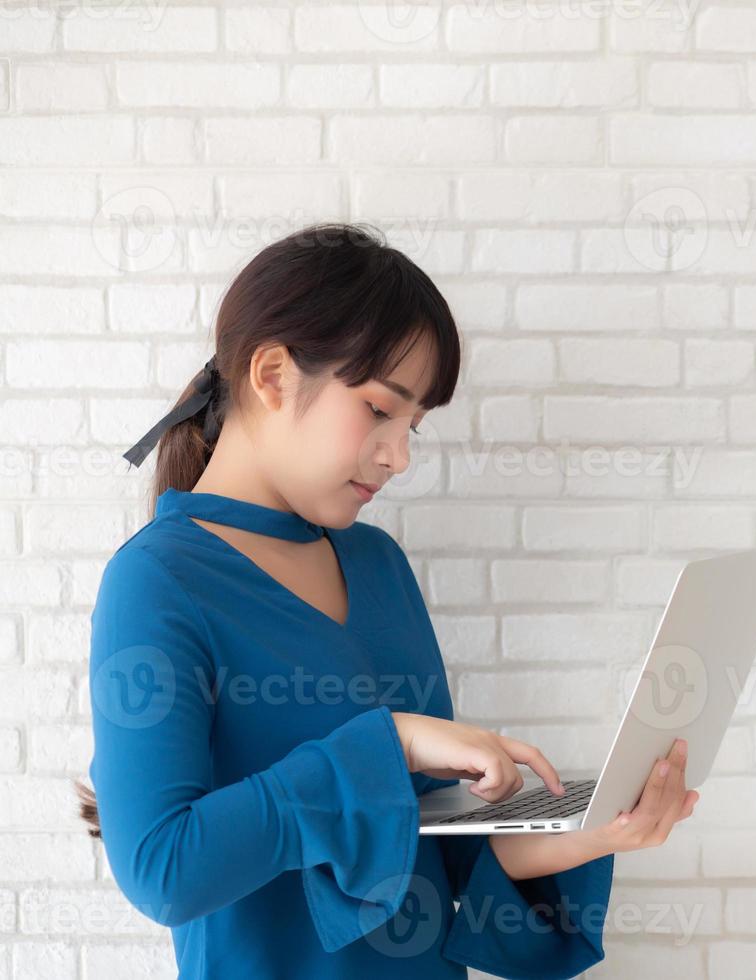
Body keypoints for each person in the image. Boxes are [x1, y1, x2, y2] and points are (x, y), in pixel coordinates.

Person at [75, 221, 697, 978]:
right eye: (379, 409)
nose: (398, 455)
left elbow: (437, 842)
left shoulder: (378, 565)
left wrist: (601, 830)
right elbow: (164, 871)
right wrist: (391, 741)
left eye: (414, 426)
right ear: (271, 375)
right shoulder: (157, 582)